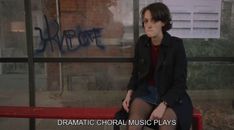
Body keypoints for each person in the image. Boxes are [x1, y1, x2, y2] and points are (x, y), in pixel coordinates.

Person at [122, 2, 193, 130]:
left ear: (163, 22)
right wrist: (129, 93)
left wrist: (164, 104)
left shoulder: (176, 45)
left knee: (167, 125)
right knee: (133, 124)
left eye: (154, 20)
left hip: (170, 94)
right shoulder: (142, 43)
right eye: (146, 21)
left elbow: (180, 83)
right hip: (146, 92)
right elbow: (136, 73)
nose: (148, 25)